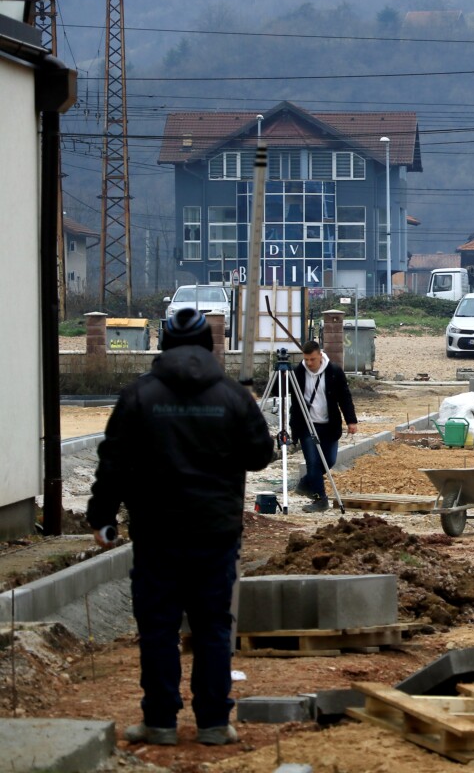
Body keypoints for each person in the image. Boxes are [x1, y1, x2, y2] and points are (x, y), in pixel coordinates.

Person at [87, 308, 274, 747]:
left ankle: (160, 723)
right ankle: (212, 724)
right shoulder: (231, 396)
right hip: (215, 532)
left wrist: (102, 516)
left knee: (158, 628)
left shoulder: (139, 396)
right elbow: (260, 456)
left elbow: (112, 461)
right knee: (212, 626)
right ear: (210, 346)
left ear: (165, 345)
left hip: (157, 533)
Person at [289, 339, 358, 512]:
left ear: (320, 355)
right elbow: (288, 395)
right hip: (307, 425)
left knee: (328, 461)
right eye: (306, 360)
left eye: (312, 359)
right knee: (313, 462)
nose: (309, 363)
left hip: (329, 425)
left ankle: (306, 483)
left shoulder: (334, 371)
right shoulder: (298, 372)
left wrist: (351, 420)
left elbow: (344, 396)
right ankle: (320, 499)